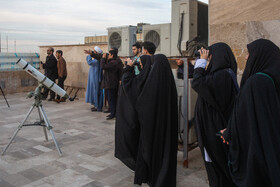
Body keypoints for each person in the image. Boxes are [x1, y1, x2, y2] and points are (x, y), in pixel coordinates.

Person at [221, 39, 280, 187]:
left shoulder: (256, 82)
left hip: (257, 154)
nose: (246, 57)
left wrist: (229, 132)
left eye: (249, 53)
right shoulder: (271, 78)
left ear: (260, 55)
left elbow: (244, 117)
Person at [115, 54, 178, 186]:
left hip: (153, 129)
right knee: (164, 154)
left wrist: (128, 69)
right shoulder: (168, 82)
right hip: (165, 128)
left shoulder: (152, 84)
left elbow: (142, 103)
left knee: (153, 154)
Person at [191, 43, 238, 187]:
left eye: (210, 56)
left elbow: (197, 82)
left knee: (218, 168)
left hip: (215, 128)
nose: (209, 59)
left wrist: (200, 63)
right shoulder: (223, 74)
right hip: (214, 126)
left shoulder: (222, 75)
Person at [100, 50, 120, 120]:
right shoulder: (112, 62)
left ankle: (113, 113)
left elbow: (103, 66)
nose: (108, 56)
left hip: (111, 84)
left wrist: (103, 58)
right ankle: (113, 112)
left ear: (112, 55)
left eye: (109, 55)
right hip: (110, 83)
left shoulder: (113, 63)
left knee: (112, 99)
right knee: (111, 99)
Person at [84, 46, 103, 112]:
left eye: (94, 52)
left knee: (96, 92)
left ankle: (98, 106)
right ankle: (95, 105)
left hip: (96, 78)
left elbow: (89, 62)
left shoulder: (97, 60)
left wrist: (89, 55)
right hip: (93, 78)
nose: (93, 53)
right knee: (94, 91)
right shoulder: (96, 59)